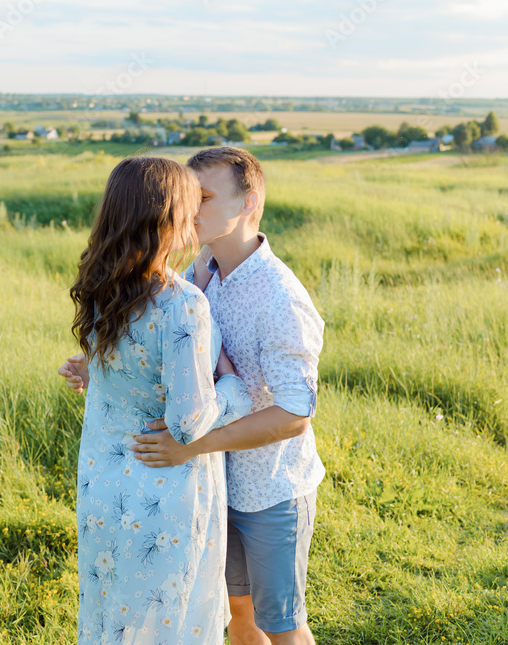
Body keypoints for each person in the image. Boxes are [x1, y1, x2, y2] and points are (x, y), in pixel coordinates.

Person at [60, 147, 325, 645]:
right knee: (237, 619)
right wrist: (102, 368)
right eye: (187, 195)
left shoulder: (280, 297)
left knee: (283, 626)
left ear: (248, 203)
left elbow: (294, 414)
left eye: (203, 196)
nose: (190, 208)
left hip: (268, 487)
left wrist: (194, 444)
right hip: (207, 486)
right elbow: (159, 356)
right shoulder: (194, 277)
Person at [66, 156, 252, 644]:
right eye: (190, 207)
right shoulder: (183, 303)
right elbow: (190, 424)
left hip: (102, 486)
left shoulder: (103, 287)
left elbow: (126, 375)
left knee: (114, 618)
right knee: (168, 623)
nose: (196, 218)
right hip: (162, 492)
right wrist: (234, 389)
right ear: (167, 218)